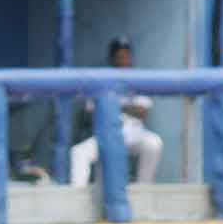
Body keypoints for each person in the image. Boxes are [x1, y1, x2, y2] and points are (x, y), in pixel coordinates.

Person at [69, 36, 163, 187]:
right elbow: (91, 111)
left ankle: (144, 188)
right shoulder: (101, 80)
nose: (123, 60)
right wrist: (121, 107)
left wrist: (114, 105)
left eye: (126, 56)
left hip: (134, 133)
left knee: (154, 143)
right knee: (78, 152)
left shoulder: (139, 79)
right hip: (107, 133)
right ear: (112, 58)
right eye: (119, 56)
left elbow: (142, 112)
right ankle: (77, 198)